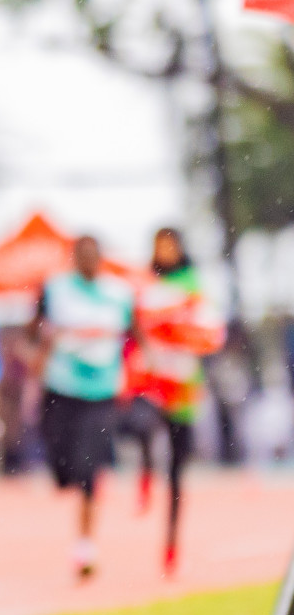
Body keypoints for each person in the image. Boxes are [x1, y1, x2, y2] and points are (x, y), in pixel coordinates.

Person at [28, 235, 136, 580]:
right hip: (60, 389)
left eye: (94, 255)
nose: (88, 261)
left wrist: (137, 368)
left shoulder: (120, 293)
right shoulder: (55, 289)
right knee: (62, 468)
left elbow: (135, 335)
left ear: (101, 258)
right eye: (82, 255)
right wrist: (37, 352)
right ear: (73, 258)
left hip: (101, 392)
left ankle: (85, 544)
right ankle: (65, 477)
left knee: (89, 467)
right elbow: (34, 328)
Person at [118, 227, 223, 576]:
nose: (164, 252)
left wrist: (180, 328)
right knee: (140, 425)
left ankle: (171, 543)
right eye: (159, 246)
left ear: (179, 249)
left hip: (183, 387)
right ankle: (146, 471)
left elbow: (210, 330)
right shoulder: (144, 282)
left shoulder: (193, 284)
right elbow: (132, 319)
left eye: (169, 246)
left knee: (178, 470)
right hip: (151, 380)